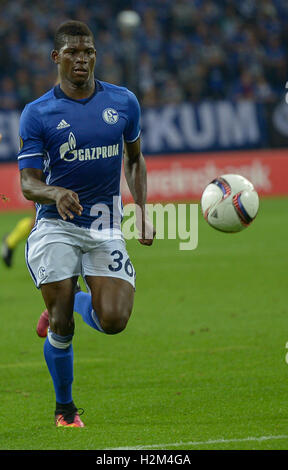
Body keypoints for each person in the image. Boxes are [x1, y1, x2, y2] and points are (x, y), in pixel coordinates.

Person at [18, 20, 155, 428]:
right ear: (56, 58)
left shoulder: (124, 102)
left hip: (104, 224)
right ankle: (65, 410)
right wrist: (55, 193)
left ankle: (78, 301)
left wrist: (143, 209)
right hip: (55, 225)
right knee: (62, 323)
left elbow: (133, 159)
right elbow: (27, 183)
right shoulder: (38, 113)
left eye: (89, 52)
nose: (82, 59)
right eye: (74, 53)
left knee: (113, 320)